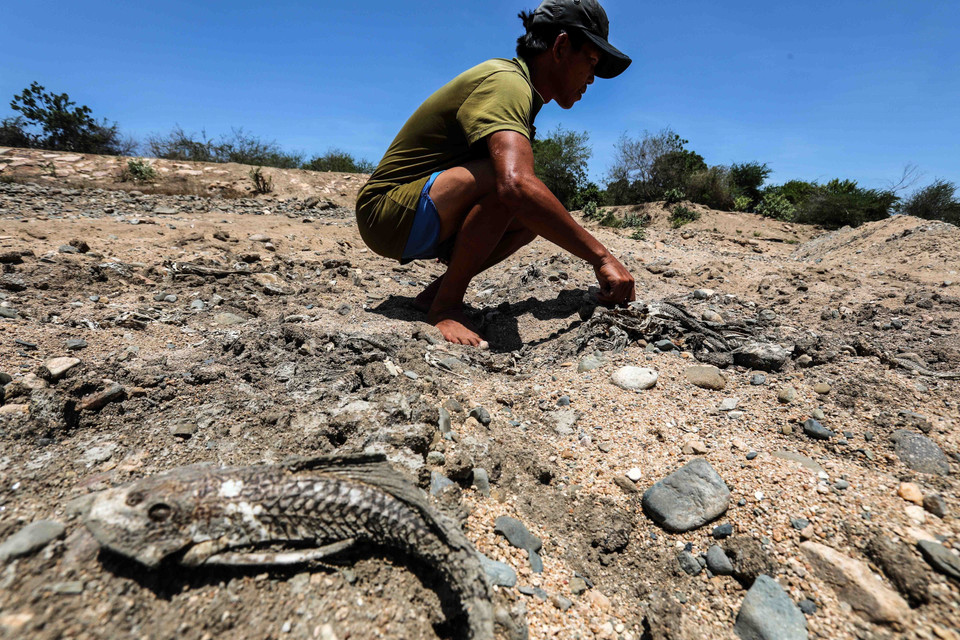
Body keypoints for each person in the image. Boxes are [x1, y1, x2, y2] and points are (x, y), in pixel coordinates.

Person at [356, 0, 635, 346]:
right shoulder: (507, 83)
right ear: (561, 47)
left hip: (416, 214)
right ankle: (445, 308)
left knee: (532, 214)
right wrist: (601, 256)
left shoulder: (522, 91)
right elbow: (514, 185)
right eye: (591, 61)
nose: (592, 78)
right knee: (514, 186)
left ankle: (436, 293)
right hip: (386, 213)